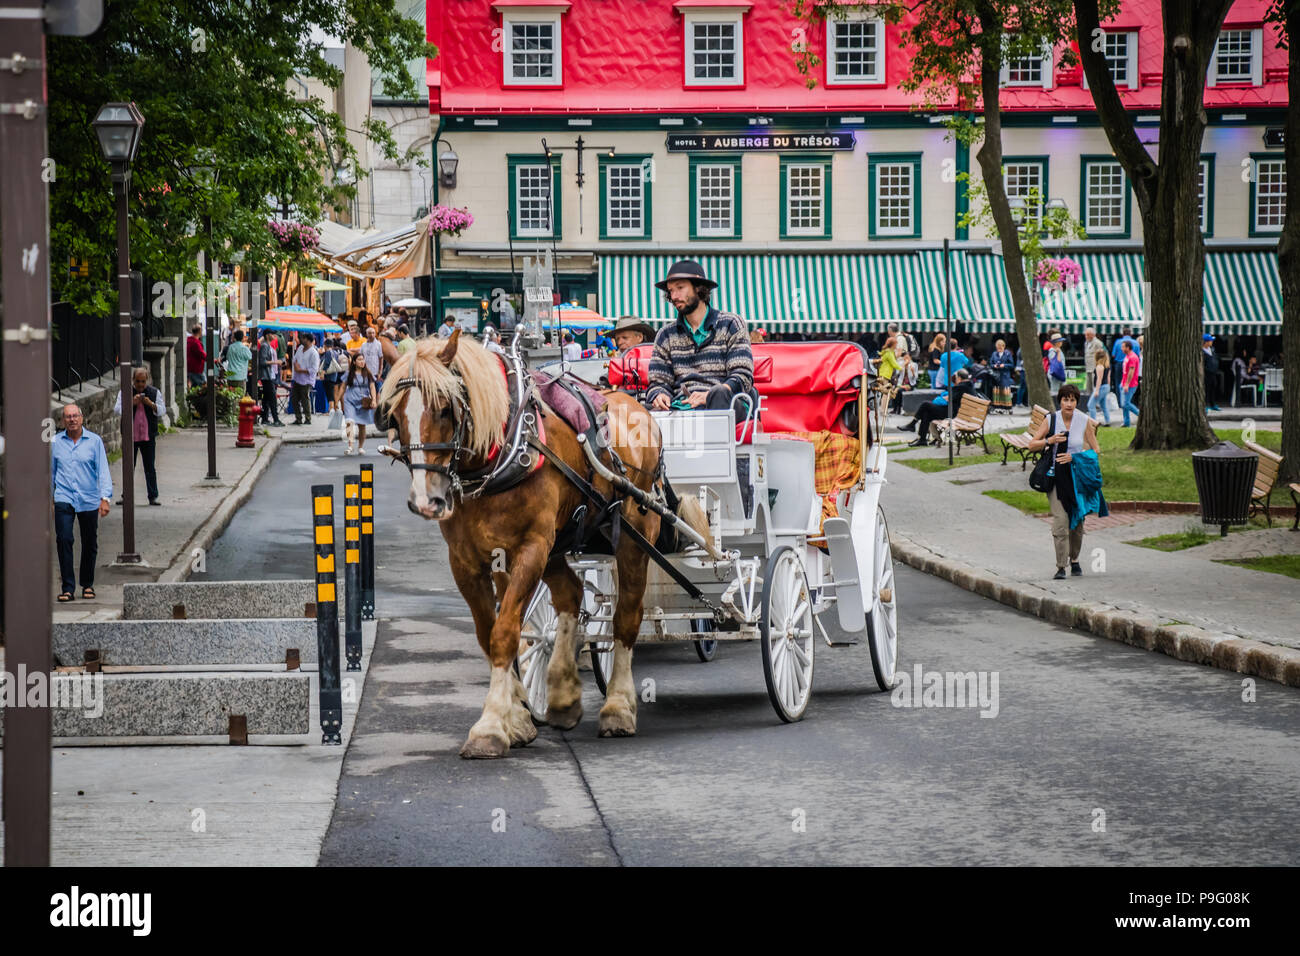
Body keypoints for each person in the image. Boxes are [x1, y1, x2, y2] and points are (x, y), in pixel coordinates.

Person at [645, 259, 754, 413]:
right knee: (635, 412)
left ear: (699, 289)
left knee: (719, 393)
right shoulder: (665, 335)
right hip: (682, 406)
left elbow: (742, 376)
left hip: (726, 404)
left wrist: (709, 395)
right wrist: (659, 394)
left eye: (680, 288)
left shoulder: (731, 324)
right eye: (671, 291)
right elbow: (658, 382)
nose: (674, 296)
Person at [1025, 384, 1104, 580]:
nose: (1069, 404)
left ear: (1077, 402)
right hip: (1055, 477)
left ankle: (1074, 560)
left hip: (1077, 478)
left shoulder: (1084, 420)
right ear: (1059, 401)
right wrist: (1049, 441)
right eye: (1065, 400)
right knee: (1061, 521)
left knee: (1077, 522)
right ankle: (1061, 566)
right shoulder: (1051, 419)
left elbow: (1096, 450)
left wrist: (1075, 458)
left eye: (1072, 400)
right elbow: (1031, 445)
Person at [51, 404, 113, 602]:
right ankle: (67, 588)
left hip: (88, 498)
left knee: (89, 542)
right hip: (64, 496)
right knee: (64, 539)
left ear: (81, 418)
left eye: (75, 416)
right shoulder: (56, 442)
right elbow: (50, 472)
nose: (71, 420)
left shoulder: (94, 441)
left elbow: (103, 471)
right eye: (67, 417)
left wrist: (105, 498)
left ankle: (87, 584)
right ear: (63, 421)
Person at [112, 367, 163, 505]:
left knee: (150, 467)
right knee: (129, 466)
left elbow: (161, 410)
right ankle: (126, 496)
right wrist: (131, 403)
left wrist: (150, 404)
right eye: (138, 381)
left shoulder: (154, 392)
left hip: (148, 435)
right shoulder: (125, 392)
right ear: (133, 380)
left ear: (147, 380)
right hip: (131, 436)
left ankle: (153, 496)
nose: (140, 385)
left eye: (143, 381)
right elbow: (117, 410)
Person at [902, 368, 975, 446]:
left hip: (953, 412)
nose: (955, 379)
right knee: (927, 414)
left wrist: (945, 397)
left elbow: (948, 398)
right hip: (955, 411)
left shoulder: (961, 387)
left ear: (959, 378)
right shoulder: (968, 386)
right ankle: (921, 439)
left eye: (956, 377)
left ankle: (913, 425)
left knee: (925, 404)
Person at [339, 350, 378, 455]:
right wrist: (338, 400)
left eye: (363, 359)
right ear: (354, 362)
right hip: (350, 400)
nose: (362, 361)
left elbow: (372, 387)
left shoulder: (368, 373)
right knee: (349, 422)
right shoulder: (349, 373)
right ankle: (350, 446)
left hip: (363, 401)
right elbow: (343, 387)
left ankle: (360, 447)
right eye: (359, 360)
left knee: (362, 425)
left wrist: (374, 400)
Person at [289, 332, 319, 425]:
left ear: (309, 340)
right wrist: (295, 366)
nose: (302, 340)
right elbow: (294, 359)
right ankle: (298, 418)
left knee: (305, 399)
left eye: (304, 338)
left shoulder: (314, 353)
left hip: (307, 380)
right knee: (294, 399)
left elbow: (314, 369)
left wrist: (301, 370)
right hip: (297, 378)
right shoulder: (300, 348)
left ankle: (308, 418)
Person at [256, 329, 284, 426]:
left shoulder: (269, 346)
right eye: (272, 334)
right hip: (266, 376)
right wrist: (276, 362)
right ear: (268, 335)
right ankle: (276, 419)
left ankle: (265, 418)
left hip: (271, 375)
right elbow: (262, 362)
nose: (274, 336)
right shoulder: (264, 346)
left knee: (267, 399)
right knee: (272, 398)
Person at [223, 328, 253, 395]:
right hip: (240, 376)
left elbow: (227, 357)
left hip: (230, 375)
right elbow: (250, 357)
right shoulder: (244, 348)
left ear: (234, 337)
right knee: (240, 397)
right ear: (242, 338)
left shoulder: (230, 347)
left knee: (231, 396)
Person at [1087, 350, 1112, 426]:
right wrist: (1109, 387)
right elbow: (1108, 378)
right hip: (1106, 386)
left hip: (1101, 387)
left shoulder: (1099, 367)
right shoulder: (1107, 366)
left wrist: (1096, 390)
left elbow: (1099, 379)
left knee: (1091, 405)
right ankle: (1108, 421)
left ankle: (1093, 423)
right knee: (1103, 405)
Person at [1118, 339, 1140, 427]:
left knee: (1125, 404)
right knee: (1124, 405)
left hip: (1130, 384)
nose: (1121, 349)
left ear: (1128, 347)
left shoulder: (1133, 357)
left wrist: (1127, 384)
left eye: (1123, 347)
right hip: (1123, 383)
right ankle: (1126, 422)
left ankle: (1141, 415)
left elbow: (1131, 371)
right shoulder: (1127, 356)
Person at [989, 339, 1015, 412]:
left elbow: (1012, 365)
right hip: (997, 375)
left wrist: (1004, 365)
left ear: (1004, 347)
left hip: (1005, 375)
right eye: (997, 348)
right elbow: (990, 363)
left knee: (1005, 391)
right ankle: (998, 407)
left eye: (1000, 348)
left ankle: (1007, 408)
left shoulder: (1007, 354)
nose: (999, 350)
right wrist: (994, 366)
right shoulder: (994, 354)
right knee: (997, 391)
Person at [1081, 327, 1106, 402]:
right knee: (1088, 387)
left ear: (1093, 335)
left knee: (1094, 385)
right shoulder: (1086, 342)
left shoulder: (1098, 343)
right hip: (1088, 367)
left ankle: (1095, 402)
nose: (1086, 336)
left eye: (1088, 335)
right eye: (1085, 335)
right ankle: (1089, 401)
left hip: (1095, 368)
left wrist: (1099, 366)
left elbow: (1102, 356)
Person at [1202, 333, 1221, 411]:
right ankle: (1205, 405)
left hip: (1213, 372)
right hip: (1206, 373)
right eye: (1210, 341)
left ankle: (1213, 404)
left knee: (1213, 387)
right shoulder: (1202, 351)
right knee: (1206, 388)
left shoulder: (1212, 349)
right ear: (1206, 342)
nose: (1212, 342)